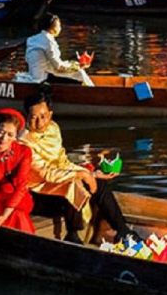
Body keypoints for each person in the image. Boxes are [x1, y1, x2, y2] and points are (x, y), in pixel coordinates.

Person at [21, 91, 134, 244]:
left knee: (99, 185)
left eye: (44, 116)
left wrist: (90, 174)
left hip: (58, 183)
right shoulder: (24, 141)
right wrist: (83, 175)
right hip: (37, 192)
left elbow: (63, 162)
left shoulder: (53, 128)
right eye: (34, 117)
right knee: (73, 184)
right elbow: (46, 173)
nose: (40, 123)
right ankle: (72, 235)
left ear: (51, 114)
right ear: (26, 116)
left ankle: (123, 230)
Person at [25, 15, 91, 84]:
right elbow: (58, 66)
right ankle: (93, 92)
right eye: (59, 25)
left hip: (34, 75)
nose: (60, 28)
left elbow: (29, 60)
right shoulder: (48, 41)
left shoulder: (31, 39)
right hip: (43, 78)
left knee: (76, 71)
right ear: (54, 27)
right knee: (79, 73)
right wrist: (77, 66)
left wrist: (74, 64)